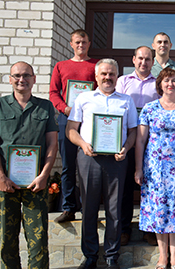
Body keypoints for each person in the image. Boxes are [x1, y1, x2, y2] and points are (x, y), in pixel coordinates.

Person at [0, 62, 58, 269]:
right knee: (8, 235)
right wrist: (1, 177)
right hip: (6, 184)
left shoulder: (45, 107)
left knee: (38, 235)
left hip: (36, 183)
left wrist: (45, 174)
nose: (21, 79)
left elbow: (52, 144)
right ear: (10, 79)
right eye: (16, 76)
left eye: (26, 75)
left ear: (34, 79)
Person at [67, 59, 138, 269]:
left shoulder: (126, 100)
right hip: (90, 158)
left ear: (118, 76)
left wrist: (126, 148)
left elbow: (133, 131)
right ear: (96, 76)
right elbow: (71, 130)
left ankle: (111, 256)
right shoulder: (84, 98)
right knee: (88, 208)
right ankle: (90, 256)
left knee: (114, 210)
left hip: (117, 160)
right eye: (104, 74)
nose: (108, 77)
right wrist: (83, 144)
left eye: (112, 74)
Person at [135, 68, 175, 269]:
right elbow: (140, 140)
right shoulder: (149, 109)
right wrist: (138, 168)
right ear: (160, 84)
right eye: (166, 81)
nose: (170, 84)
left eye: (174, 80)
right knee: (159, 210)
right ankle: (162, 255)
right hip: (156, 170)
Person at [49, 29, 98, 223]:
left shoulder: (95, 65)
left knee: (89, 164)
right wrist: (65, 108)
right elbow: (53, 92)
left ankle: (89, 206)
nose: (80, 45)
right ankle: (69, 207)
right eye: (77, 42)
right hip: (67, 118)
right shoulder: (61, 66)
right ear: (71, 44)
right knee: (69, 165)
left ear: (88, 43)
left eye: (84, 42)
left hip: (90, 121)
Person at [116, 46, 160, 246]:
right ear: (133, 60)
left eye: (148, 59)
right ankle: (124, 228)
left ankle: (149, 230)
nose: (144, 63)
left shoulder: (158, 84)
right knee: (124, 187)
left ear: (153, 61)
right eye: (140, 58)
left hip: (151, 144)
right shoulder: (122, 82)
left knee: (149, 187)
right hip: (126, 141)